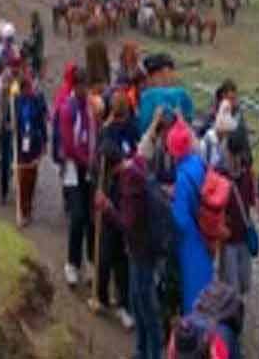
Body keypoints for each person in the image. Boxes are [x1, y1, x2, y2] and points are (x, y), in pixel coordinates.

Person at [95, 147, 164, 359]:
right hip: (137, 249)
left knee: (146, 306)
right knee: (136, 301)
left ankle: (153, 354)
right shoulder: (133, 168)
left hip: (143, 251)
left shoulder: (130, 182)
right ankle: (141, 351)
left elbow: (127, 224)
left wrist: (107, 208)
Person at [168, 116, 214, 314]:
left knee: (192, 289)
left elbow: (180, 220)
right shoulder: (197, 162)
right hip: (205, 232)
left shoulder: (182, 176)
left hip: (190, 240)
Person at [90, 138, 135, 329]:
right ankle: (100, 298)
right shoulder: (100, 171)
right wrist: (98, 202)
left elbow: (127, 220)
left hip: (121, 226)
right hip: (106, 224)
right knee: (103, 260)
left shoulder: (128, 179)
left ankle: (124, 305)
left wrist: (108, 207)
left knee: (122, 265)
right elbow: (93, 190)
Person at [61, 67, 97, 287]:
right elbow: (69, 145)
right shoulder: (68, 109)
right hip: (74, 170)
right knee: (78, 217)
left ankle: (91, 261)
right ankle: (72, 263)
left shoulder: (91, 108)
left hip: (90, 169)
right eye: (82, 86)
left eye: (88, 86)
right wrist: (87, 161)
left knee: (92, 219)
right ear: (75, 86)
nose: (86, 90)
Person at [217, 128, 257, 317]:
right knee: (231, 285)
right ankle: (232, 320)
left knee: (244, 282)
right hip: (229, 238)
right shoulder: (220, 173)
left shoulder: (247, 171)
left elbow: (250, 199)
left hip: (243, 235)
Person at [14, 64, 48, 226]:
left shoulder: (37, 101)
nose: (30, 90)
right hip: (21, 143)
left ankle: (28, 206)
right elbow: (11, 122)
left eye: (31, 87)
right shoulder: (17, 102)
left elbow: (42, 123)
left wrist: (44, 143)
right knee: (22, 177)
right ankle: (22, 209)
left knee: (32, 176)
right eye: (27, 88)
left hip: (34, 142)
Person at [0, 54, 24, 206]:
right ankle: (4, 192)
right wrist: (4, 123)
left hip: (20, 125)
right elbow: (1, 105)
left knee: (20, 159)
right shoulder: (5, 80)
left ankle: (21, 190)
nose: (16, 69)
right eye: (14, 67)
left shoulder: (23, 79)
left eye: (18, 66)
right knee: (6, 160)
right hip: (6, 125)